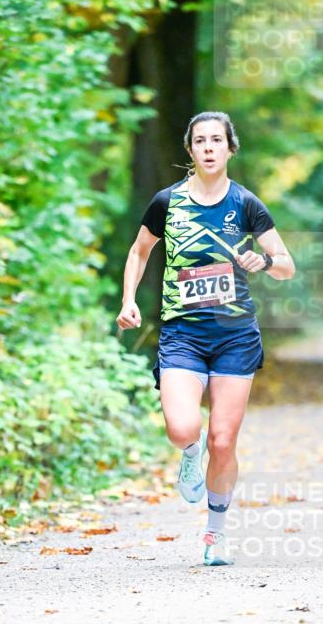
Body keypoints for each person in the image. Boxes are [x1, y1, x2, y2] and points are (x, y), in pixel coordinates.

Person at [116, 111, 295, 566]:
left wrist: (265, 262)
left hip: (235, 337)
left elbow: (286, 263)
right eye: (201, 140)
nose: (210, 147)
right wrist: (128, 299)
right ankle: (188, 454)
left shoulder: (247, 204)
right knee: (183, 429)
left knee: (223, 440)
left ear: (230, 148)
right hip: (182, 334)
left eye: (217, 139)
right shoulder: (167, 202)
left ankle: (216, 535)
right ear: (190, 149)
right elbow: (139, 252)